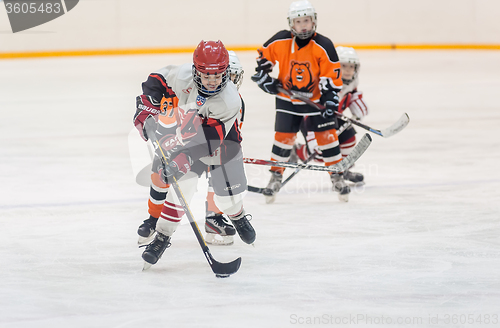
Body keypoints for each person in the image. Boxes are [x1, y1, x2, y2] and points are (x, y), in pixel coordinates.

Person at [133, 41, 256, 266]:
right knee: (182, 189)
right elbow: (157, 80)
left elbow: (208, 143)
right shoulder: (182, 76)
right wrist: (147, 107)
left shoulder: (230, 101)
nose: (211, 81)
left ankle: (237, 215)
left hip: (222, 145)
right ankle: (161, 236)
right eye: (206, 75)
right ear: (195, 71)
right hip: (188, 136)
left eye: (217, 76)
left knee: (228, 198)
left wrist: (182, 159)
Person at [251, 0, 349, 202]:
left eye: (307, 20)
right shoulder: (280, 40)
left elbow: (332, 77)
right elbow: (263, 57)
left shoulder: (324, 45)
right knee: (282, 139)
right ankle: (275, 176)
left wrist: (330, 100)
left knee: (328, 138)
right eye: (298, 21)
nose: (303, 25)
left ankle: (337, 176)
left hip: (316, 100)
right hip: (287, 98)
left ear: (314, 21)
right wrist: (265, 78)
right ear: (291, 23)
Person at [292, 46, 368, 183]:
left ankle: (342, 171)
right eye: (344, 66)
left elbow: (351, 95)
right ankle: (297, 151)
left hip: (336, 120)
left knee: (349, 142)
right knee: (320, 153)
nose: (349, 70)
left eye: (352, 66)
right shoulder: (325, 83)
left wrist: (357, 103)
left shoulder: (352, 83)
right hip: (313, 121)